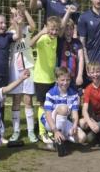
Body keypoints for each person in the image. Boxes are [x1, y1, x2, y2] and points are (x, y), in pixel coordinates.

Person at [7, 1, 38, 143]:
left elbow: (34, 26)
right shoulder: (8, 32)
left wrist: (24, 11)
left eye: (20, 16)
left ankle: (31, 131)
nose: (18, 18)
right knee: (16, 99)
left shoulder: (26, 28)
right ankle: (16, 130)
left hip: (28, 67)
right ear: (11, 19)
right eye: (15, 16)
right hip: (14, 69)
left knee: (28, 99)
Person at [30, 16, 61, 144]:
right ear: (46, 28)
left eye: (56, 30)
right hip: (41, 78)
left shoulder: (56, 39)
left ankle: (49, 130)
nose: (53, 32)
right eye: (51, 29)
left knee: (51, 105)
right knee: (43, 105)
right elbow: (29, 44)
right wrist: (41, 33)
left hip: (52, 79)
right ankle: (42, 132)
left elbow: (62, 25)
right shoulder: (42, 38)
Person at [42, 67, 86, 156]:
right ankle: (56, 136)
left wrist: (74, 125)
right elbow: (47, 114)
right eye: (62, 80)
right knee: (63, 108)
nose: (65, 83)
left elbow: (74, 113)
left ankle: (60, 139)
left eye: (68, 80)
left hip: (64, 121)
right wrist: (55, 130)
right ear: (56, 80)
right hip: (50, 121)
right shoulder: (50, 93)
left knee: (82, 138)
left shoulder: (73, 94)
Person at [57, 6, 85, 92]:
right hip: (61, 77)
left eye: (71, 29)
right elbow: (61, 28)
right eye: (66, 29)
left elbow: (81, 59)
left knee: (75, 98)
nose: (69, 32)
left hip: (73, 76)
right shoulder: (59, 41)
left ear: (74, 30)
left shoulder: (77, 42)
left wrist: (80, 75)